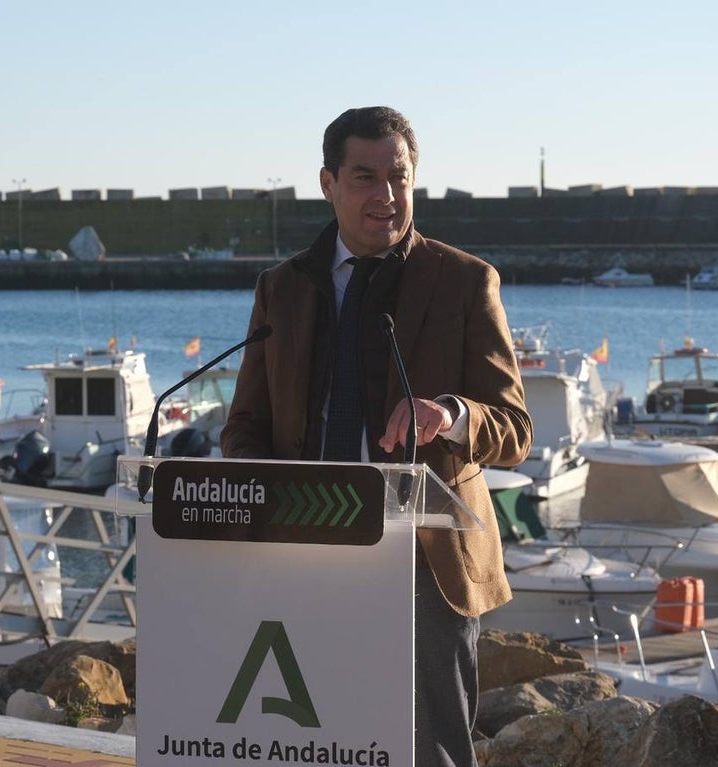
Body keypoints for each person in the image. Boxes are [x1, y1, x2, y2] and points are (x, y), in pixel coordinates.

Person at [220, 106, 532, 767]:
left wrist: (452, 413)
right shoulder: (282, 287)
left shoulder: (466, 282)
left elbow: (514, 428)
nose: (386, 197)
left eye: (400, 176)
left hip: (422, 554)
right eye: (365, 177)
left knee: (432, 751)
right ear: (328, 182)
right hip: (305, 546)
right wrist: (264, 495)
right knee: (311, 740)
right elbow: (245, 424)